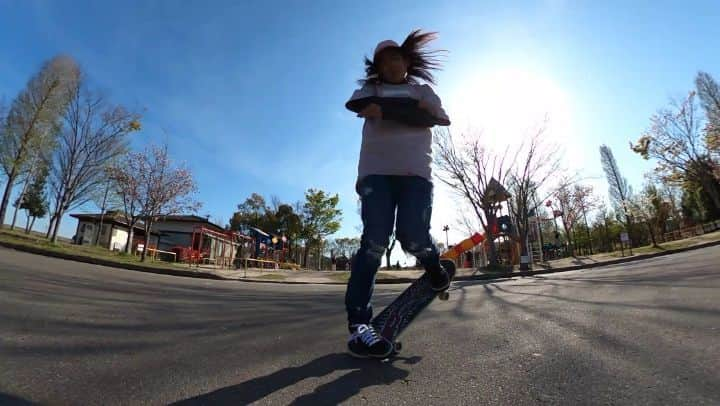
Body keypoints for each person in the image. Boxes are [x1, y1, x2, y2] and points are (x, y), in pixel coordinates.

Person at [343, 30, 451, 358]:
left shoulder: (422, 90)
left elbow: (437, 119)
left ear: (406, 61)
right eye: (384, 60)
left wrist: (386, 112)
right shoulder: (370, 90)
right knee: (374, 243)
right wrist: (404, 110)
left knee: (413, 236)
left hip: (416, 174)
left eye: (397, 58)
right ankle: (359, 327)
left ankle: (434, 266)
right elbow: (355, 105)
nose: (392, 64)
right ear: (378, 67)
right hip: (375, 174)